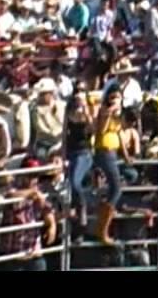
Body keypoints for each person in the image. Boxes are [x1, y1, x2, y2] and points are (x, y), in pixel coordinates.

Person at [0, 157, 57, 271]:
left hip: (34, 254)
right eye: (29, 175)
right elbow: (10, 196)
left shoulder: (39, 191)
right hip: (14, 255)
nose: (32, 179)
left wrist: (52, 224)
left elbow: (47, 210)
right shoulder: (13, 187)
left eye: (35, 175)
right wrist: (32, 193)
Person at [93, 84, 132, 245]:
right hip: (104, 151)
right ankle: (102, 229)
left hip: (113, 152)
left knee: (117, 186)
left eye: (118, 97)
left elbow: (120, 134)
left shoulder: (118, 116)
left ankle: (104, 220)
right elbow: (100, 131)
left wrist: (126, 154)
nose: (116, 100)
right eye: (113, 97)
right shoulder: (104, 111)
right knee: (116, 187)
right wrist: (109, 112)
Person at [64, 90, 94, 240]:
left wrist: (87, 114)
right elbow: (64, 136)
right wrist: (63, 155)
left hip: (84, 153)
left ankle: (82, 209)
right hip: (71, 152)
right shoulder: (68, 116)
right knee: (68, 188)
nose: (79, 102)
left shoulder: (87, 116)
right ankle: (76, 225)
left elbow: (92, 132)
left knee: (75, 183)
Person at [32, 78, 66, 159]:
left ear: (51, 93)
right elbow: (41, 128)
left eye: (43, 94)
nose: (40, 96)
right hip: (45, 144)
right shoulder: (35, 110)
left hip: (62, 142)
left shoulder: (62, 106)